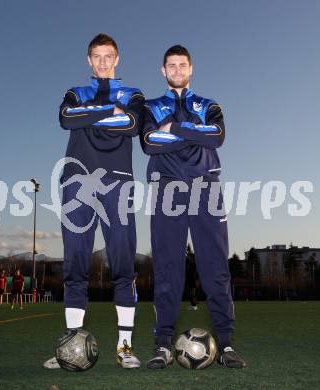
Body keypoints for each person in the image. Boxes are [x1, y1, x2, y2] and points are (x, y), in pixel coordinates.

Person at [43, 33, 144, 370]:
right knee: (75, 265)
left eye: (109, 56)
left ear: (118, 59)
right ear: (89, 60)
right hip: (77, 183)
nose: (103, 62)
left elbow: (131, 125)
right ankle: (70, 346)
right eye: (97, 56)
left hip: (117, 185)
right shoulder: (75, 92)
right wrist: (106, 110)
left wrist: (89, 114)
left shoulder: (134, 94)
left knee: (123, 265)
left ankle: (125, 347)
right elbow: (65, 118)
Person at [141, 45, 246, 369]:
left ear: (191, 68)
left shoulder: (208, 105)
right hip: (167, 189)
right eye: (170, 65)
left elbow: (216, 136)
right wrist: (194, 135)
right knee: (168, 269)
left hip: (206, 187)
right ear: (163, 70)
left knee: (215, 267)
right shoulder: (151, 106)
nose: (176, 70)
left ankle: (226, 344)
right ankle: (163, 344)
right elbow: (148, 142)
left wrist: (173, 130)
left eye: (181, 65)